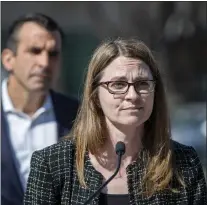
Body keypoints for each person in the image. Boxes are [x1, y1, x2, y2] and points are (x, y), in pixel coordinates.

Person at [24, 38, 207, 204]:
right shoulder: (51, 164)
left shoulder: (184, 162)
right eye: (118, 85)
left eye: (143, 84)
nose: (132, 95)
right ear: (95, 96)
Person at [1, 13, 79, 205]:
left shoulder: (79, 116)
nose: (44, 63)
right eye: (35, 51)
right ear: (8, 59)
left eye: (53, 54)